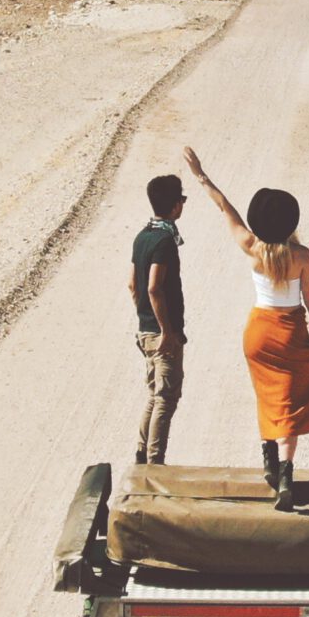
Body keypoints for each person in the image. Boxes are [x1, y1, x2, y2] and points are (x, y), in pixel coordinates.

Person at [182, 147, 309, 511]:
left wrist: (201, 175)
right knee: (288, 404)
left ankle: (269, 460)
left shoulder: (252, 247)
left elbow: (226, 209)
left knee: (267, 398)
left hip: (258, 334)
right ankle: (285, 473)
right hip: (289, 333)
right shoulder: (301, 256)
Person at [129, 172, 186, 465]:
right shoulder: (164, 241)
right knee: (166, 398)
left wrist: (146, 317)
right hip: (162, 334)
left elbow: (132, 285)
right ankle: (154, 464)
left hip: (145, 331)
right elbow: (153, 286)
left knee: (155, 395)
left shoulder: (142, 236)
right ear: (175, 205)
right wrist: (165, 329)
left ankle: (142, 454)